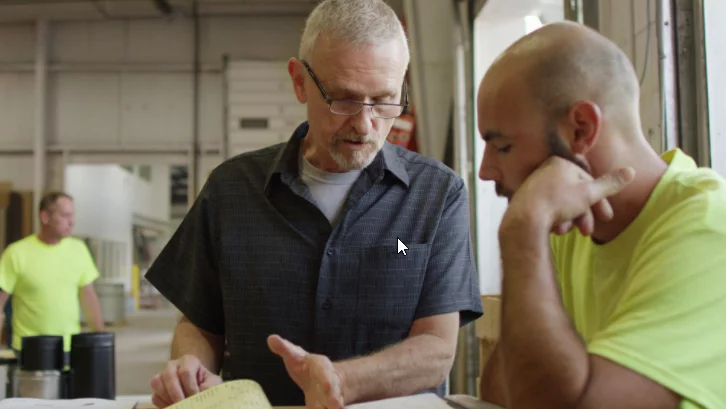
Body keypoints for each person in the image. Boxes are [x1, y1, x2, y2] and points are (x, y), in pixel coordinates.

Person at [146, 0, 483, 408]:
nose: (364, 124)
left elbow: (436, 350)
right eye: (343, 99)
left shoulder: (437, 194)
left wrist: (341, 380)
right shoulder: (232, 191)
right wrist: (189, 368)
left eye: (384, 100)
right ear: (299, 81)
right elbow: (200, 325)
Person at [476, 21, 726, 409]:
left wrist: (523, 230)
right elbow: (502, 389)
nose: (485, 171)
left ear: (580, 130)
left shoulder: (709, 227)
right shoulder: (570, 224)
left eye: (503, 147)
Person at [0, 192, 105, 363]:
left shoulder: (79, 250)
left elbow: (88, 297)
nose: (72, 222)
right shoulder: (16, 253)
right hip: (28, 350)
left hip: (68, 349)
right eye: (65, 215)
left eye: (72, 215)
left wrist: (101, 340)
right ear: (45, 217)